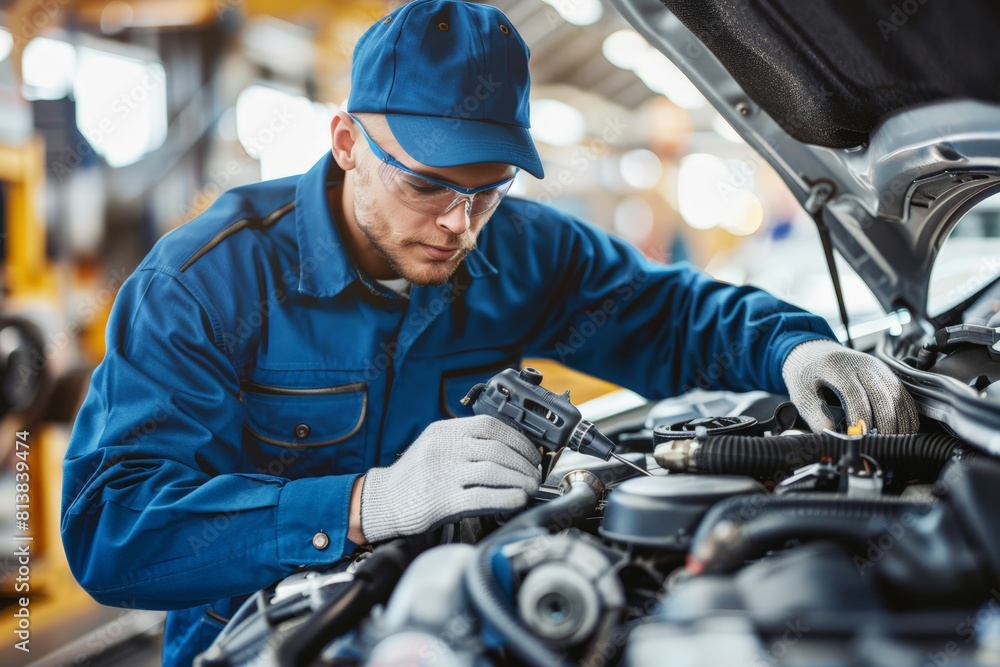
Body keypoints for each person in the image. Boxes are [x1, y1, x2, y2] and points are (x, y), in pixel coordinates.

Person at [60, 1, 919, 665]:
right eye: (430, 186)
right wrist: (367, 505)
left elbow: (672, 315)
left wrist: (794, 348)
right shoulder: (206, 284)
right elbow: (112, 526)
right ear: (348, 141)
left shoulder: (520, 250)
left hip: (467, 612)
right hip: (273, 639)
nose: (461, 225)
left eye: (491, 187)